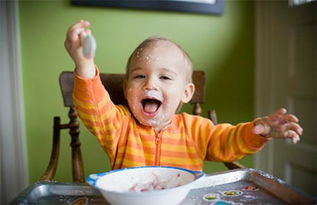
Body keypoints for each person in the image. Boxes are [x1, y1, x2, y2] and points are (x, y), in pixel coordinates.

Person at [65, 20, 303, 171]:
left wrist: (256, 131)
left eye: (165, 77)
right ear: (127, 88)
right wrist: (84, 64)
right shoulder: (118, 127)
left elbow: (227, 142)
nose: (150, 84)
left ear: (186, 93)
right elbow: (94, 108)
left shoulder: (198, 130)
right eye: (139, 77)